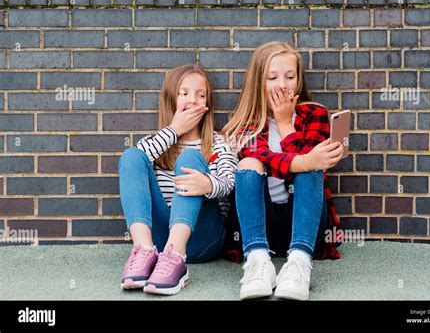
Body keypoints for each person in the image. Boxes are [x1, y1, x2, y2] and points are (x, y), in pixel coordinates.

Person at [222, 41, 344, 300]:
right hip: (261, 223)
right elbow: (263, 157)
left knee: (312, 168)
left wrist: (287, 123)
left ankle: (299, 263)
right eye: (273, 77)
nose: (282, 85)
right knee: (249, 164)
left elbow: (308, 168)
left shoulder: (315, 114)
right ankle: (257, 262)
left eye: (290, 76)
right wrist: (307, 160)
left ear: (299, 80)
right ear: (258, 82)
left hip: (305, 224)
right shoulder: (246, 124)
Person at [118, 64, 238, 295]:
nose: (192, 100)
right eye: (184, 93)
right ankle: (143, 251)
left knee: (190, 157)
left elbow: (231, 182)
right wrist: (173, 131)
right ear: (170, 100)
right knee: (132, 155)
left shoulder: (219, 143)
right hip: (161, 240)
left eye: (200, 95)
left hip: (203, 238)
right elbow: (132, 166)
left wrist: (208, 184)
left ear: (207, 104)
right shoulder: (156, 142)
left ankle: (177, 257)